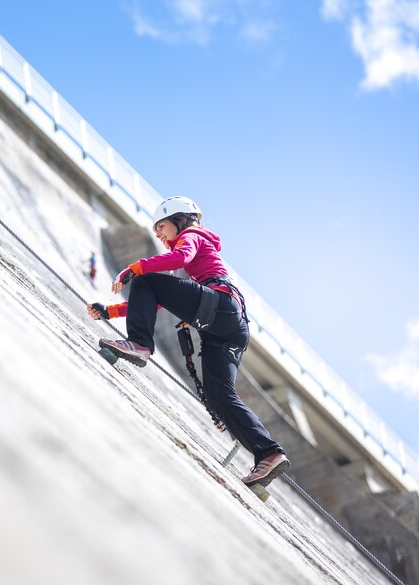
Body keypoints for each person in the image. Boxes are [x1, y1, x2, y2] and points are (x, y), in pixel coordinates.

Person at [86, 196, 290, 489]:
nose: (158, 234)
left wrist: (136, 267)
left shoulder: (192, 236)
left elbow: (173, 262)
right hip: (229, 329)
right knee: (219, 394)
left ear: (180, 220)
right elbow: (153, 304)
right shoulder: (183, 266)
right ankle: (268, 453)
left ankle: (140, 344)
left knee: (145, 279)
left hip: (219, 306)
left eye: (162, 226)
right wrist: (110, 311)